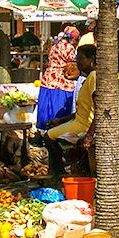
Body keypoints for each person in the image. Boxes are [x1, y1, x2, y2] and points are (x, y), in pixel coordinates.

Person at [43, 45, 97, 176]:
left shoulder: (94, 77)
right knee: (50, 132)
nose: (77, 61)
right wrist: (60, 120)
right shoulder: (88, 77)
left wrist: (89, 135)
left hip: (84, 126)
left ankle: (58, 173)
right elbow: (82, 110)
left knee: (48, 136)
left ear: (92, 59)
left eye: (80, 58)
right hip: (78, 122)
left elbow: (100, 110)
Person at [36, 27, 79, 130]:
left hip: (49, 78)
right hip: (62, 80)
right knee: (58, 106)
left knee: (47, 106)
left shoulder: (54, 46)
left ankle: (44, 128)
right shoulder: (69, 48)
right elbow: (73, 61)